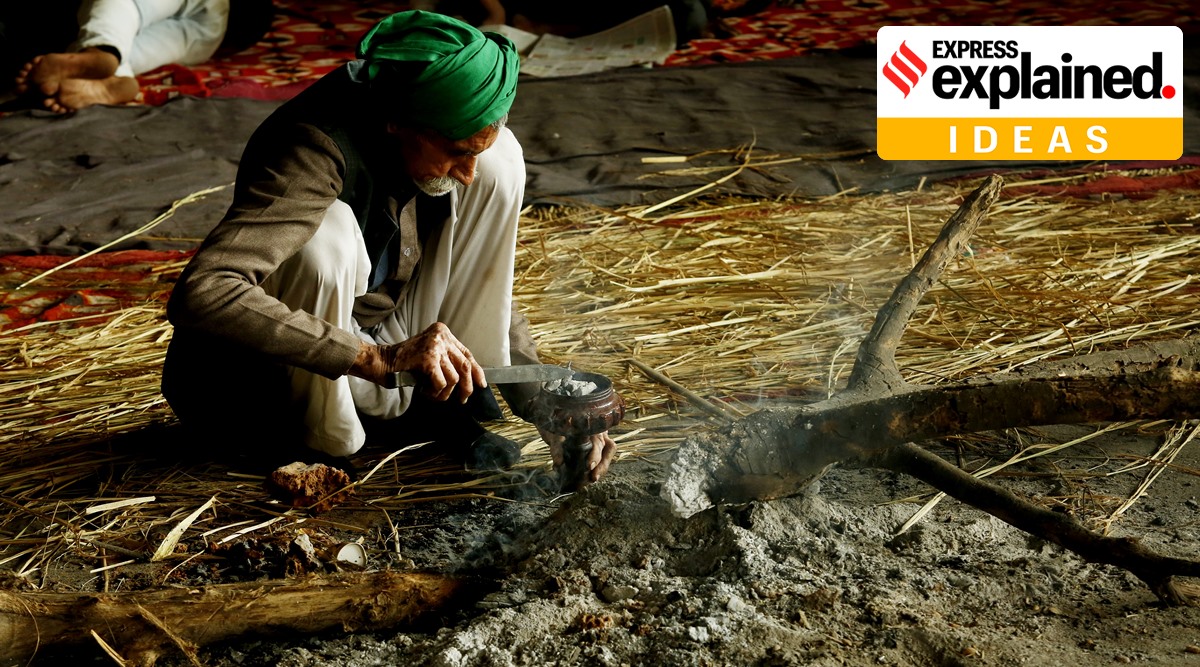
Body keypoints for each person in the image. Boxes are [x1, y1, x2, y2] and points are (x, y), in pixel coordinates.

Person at [162, 11, 617, 484]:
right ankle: (323, 441)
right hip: (283, 374)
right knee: (325, 237)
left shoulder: (433, 142)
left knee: (502, 161)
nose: (466, 173)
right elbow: (205, 291)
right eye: (458, 152)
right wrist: (375, 359)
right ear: (398, 124)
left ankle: (449, 397)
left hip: (390, 342)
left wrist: (546, 404)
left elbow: (479, 278)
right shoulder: (309, 151)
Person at [12, 0, 230, 112]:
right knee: (126, 39)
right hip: (212, 37)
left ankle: (102, 53)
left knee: (121, 9)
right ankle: (114, 76)